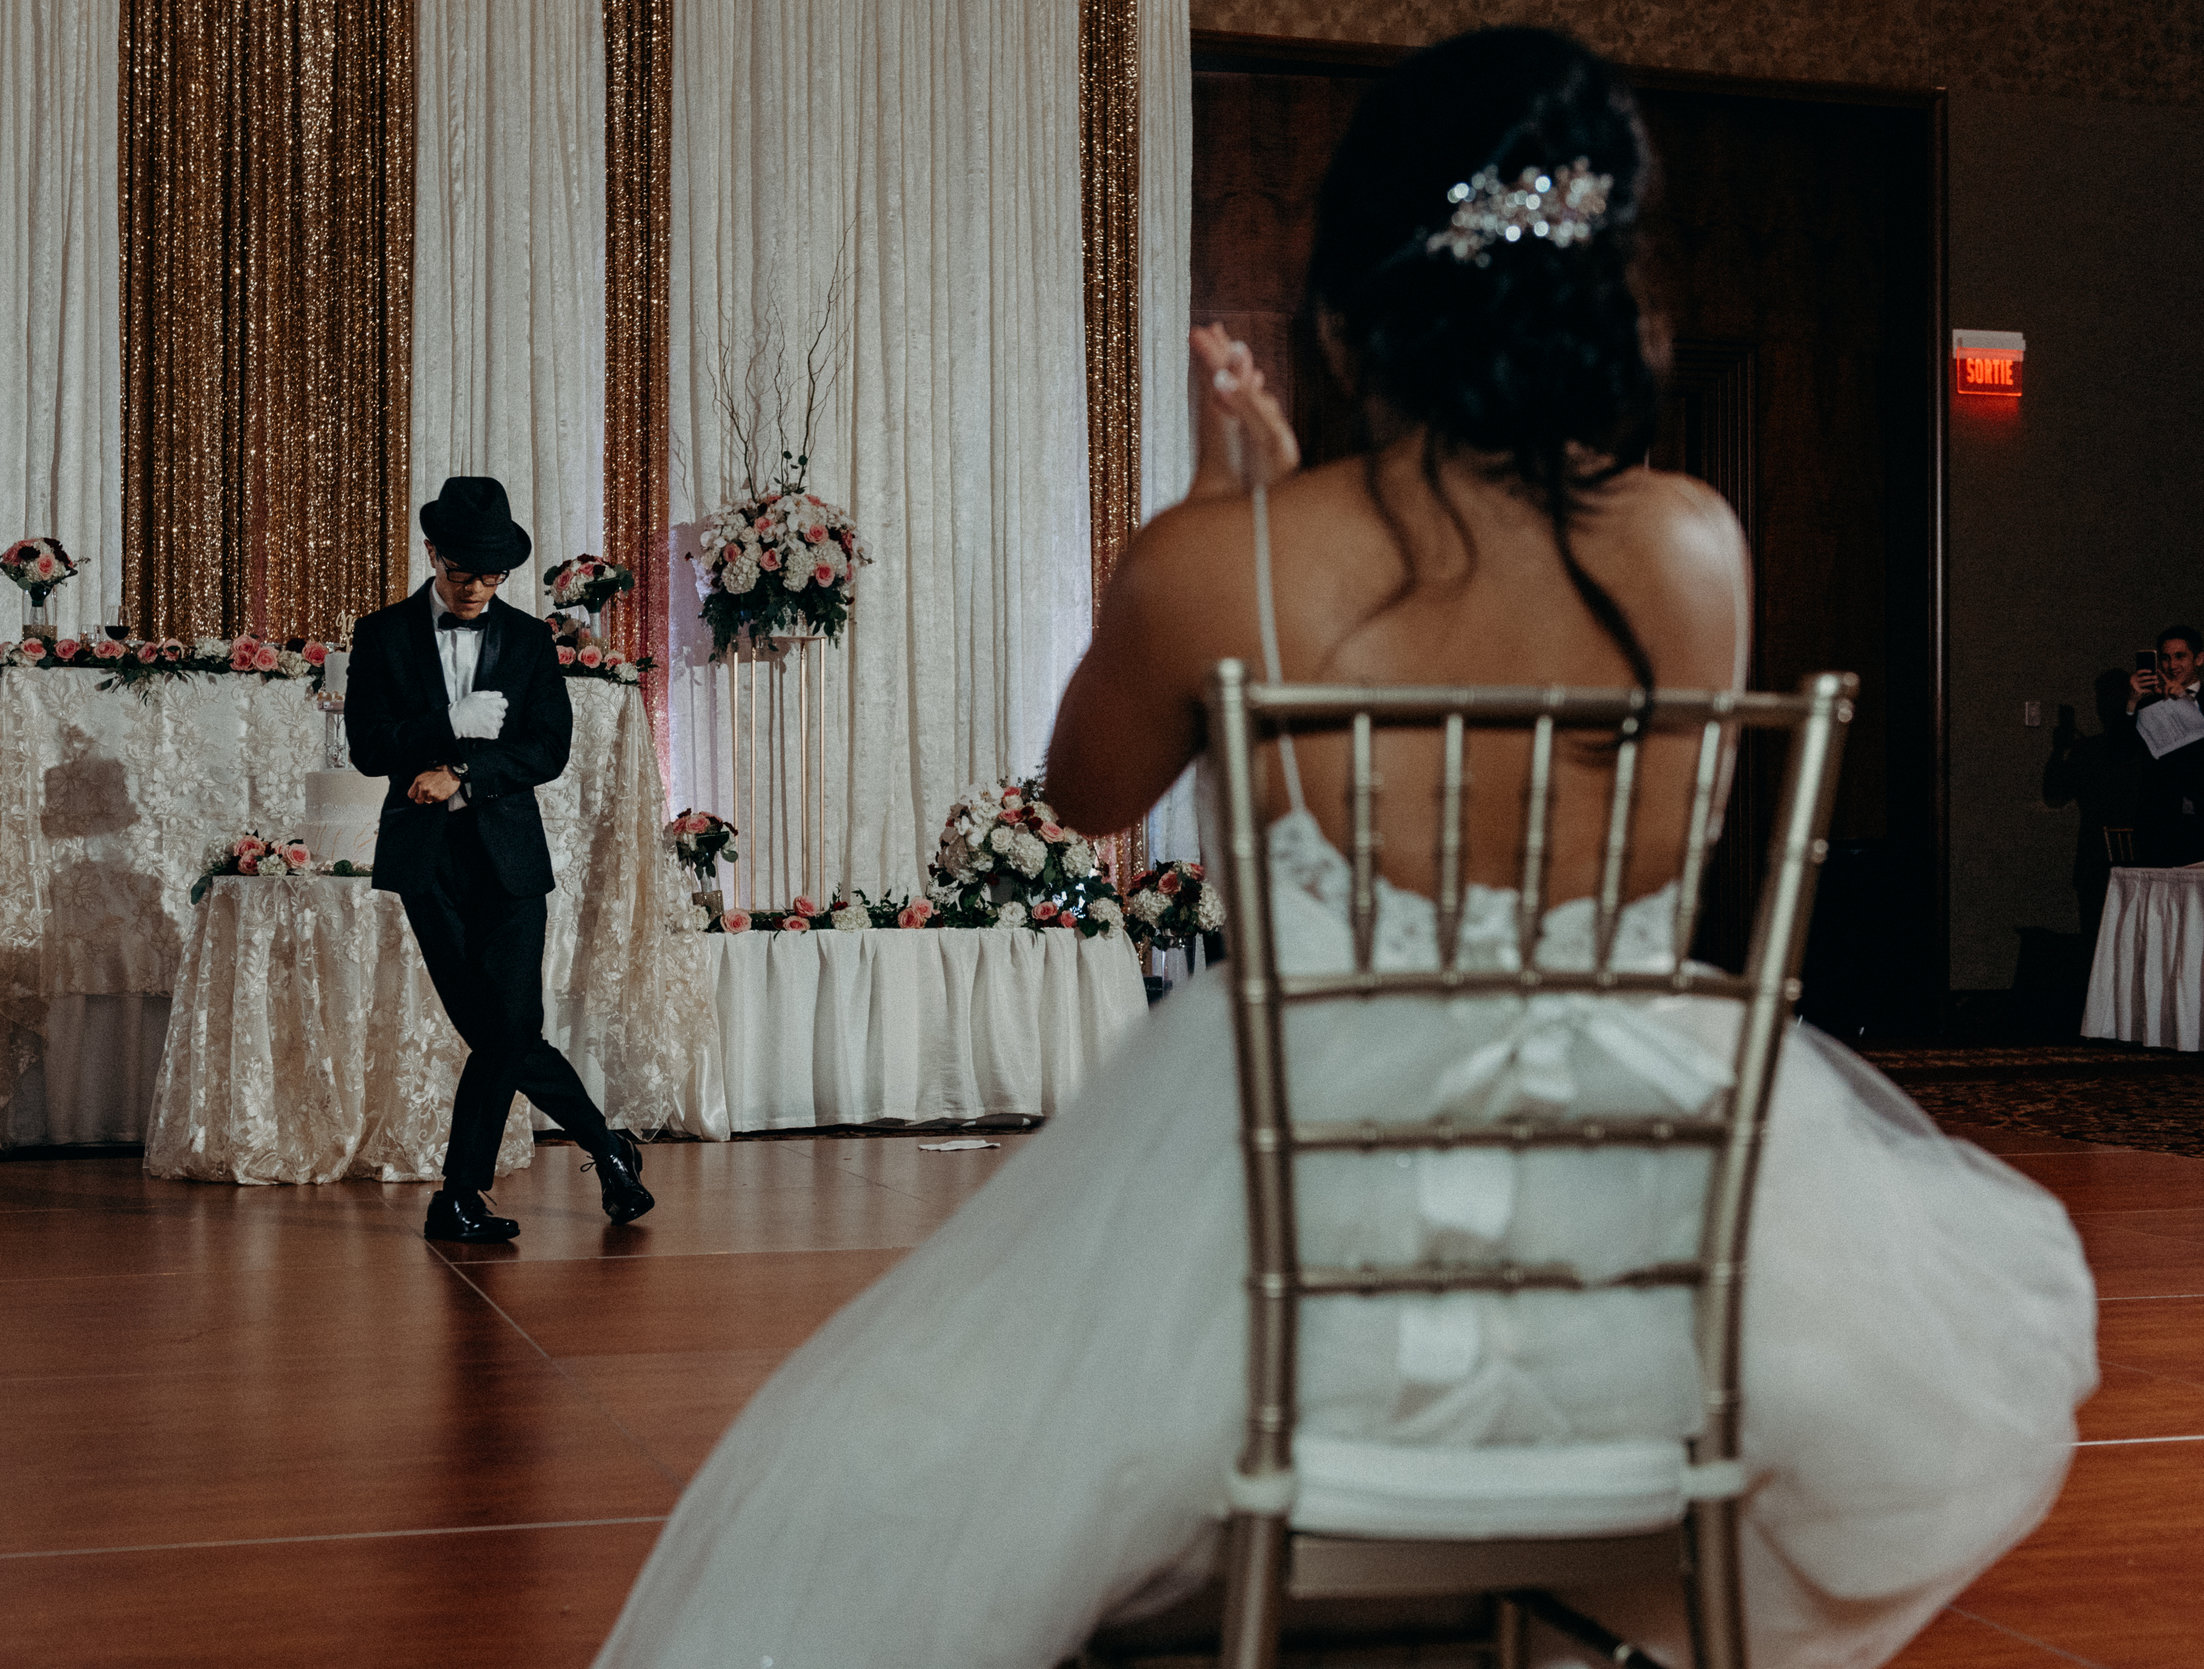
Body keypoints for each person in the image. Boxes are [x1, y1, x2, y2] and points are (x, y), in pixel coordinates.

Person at [592, 31, 2092, 1668]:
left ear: (1356, 294)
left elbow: (1085, 793)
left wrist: (1227, 514)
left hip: (1308, 1280)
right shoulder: (1694, 546)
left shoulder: (1222, 562)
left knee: (920, 1487)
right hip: (1642, 1284)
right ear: (1604, 290)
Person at [343, 476, 653, 1240]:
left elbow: (548, 747)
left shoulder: (527, 638)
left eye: (492, 576)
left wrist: (465, 770)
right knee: (497, 1030)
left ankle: (458, 1196)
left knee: (509, 1025)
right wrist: (446, 719)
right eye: (463, 573)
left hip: (510, 859)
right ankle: (608, 1148)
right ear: (432, 553)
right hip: (426, 862)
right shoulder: (382, 635)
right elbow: (367, 746)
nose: (477, 589)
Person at [2044, 670, 2144, 935]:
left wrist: (2059, 750)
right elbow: (2055, 794)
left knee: (2099, 939)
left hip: (2103, 858)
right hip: (2111, 859)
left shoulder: (2090, 750)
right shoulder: (2093, 749)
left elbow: (2054, 793)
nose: (2103, 707)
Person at [2130, 625, 2204, 865]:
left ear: (2199, 659)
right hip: (2161, 824)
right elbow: (2121, 752)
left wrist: (2183, 702)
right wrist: (2132, 702)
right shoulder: (2148, 703)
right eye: (2165, 658)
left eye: (2180, 656)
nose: (2172, 665)